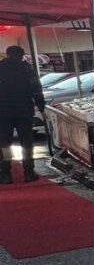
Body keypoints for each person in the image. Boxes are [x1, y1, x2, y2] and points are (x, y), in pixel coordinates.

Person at [0, 46, 46, 184]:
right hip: (24, 111)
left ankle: (6, 174)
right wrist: (42, 108)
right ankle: (28, 172)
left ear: (7, 54)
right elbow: (37, 90)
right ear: (21, 56)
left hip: (3, 112)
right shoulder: (27, 70)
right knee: (27, 143)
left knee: (5, 144)